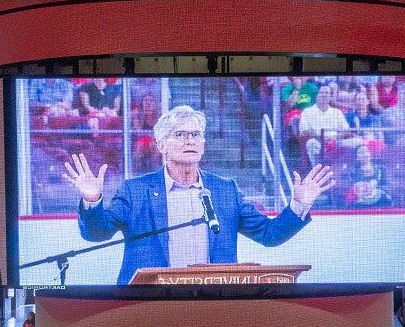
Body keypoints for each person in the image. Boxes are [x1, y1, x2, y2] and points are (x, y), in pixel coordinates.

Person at [65, 105, 337, 285]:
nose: (190, 140)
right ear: (161, 145)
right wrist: (92, 201)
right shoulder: (136, 191)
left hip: (214, 304)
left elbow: (270, 234)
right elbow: (97, 233)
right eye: (180, 135)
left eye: (196, 134)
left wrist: (299, 204)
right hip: (149, 306)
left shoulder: (225, 190)